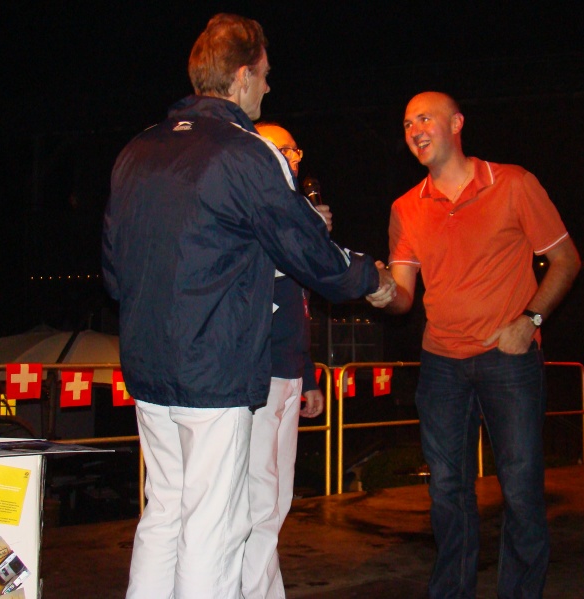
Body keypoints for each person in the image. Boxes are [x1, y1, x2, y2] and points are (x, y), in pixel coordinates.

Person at [102, 14, 395, 599]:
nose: (268, 86)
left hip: (148, 366)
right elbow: (307, 248)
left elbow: (114, 272)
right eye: (264, 74)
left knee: (164, 512)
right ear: (240, 77)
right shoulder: (246, 152)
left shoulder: (137, 150)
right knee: (214, 524)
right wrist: (372, 278)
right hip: (214, 370)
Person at [379, 91, 581, 599]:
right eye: (407, 123)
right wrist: (380, 291)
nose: (415, 130)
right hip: (441, 363)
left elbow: (566, 260)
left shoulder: (512, 183)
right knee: (447, 491)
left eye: (425, 118)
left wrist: (529, 320)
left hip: (507, 359)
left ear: (457, 124)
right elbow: (403, 297)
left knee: (521, 488)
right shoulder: (406, 207)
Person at [242, 122, 327, 599]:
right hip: (257, 373)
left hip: (289, 372)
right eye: (283, 150)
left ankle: (261, 588)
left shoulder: (292, 210)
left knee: (278, 497)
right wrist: (308, 237)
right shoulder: (251, 206)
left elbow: (299, 304)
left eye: (295, 150)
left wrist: (308, 375)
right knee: (258, 496)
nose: (294, 159)